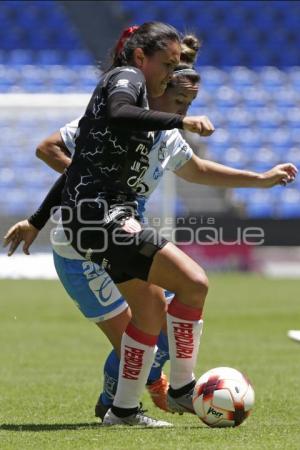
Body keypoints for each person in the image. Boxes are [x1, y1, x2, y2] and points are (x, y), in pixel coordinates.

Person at [4, 24, 297, 427]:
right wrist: (61, 209)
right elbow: (63, 155)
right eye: (177, 99)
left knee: (152, 312)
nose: (182, 112)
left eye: (188, 105)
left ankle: (123, 410)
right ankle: (172, 390)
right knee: (191, 285)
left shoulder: (160, 132)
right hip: (89, 239)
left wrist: (260, 178)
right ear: (150, 77)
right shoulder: (124, 100)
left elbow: (199, 170)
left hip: (105, 223)